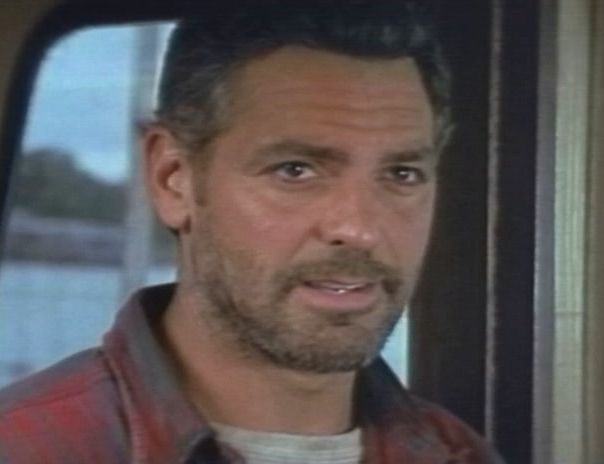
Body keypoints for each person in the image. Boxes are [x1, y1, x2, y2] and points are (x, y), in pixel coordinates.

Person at [0, 1, 504, 462]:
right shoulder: (29, 447)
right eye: (295, 170)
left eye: (402, 174)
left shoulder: (459, 454)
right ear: (173, 179)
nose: (358, 229)